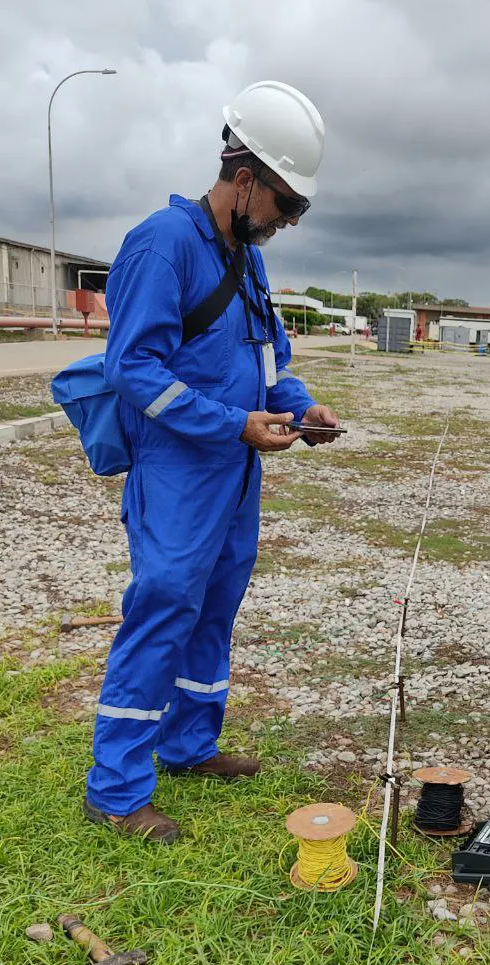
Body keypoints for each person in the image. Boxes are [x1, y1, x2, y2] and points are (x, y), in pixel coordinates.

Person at [84, 81, 340, 844]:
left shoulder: (247, 258)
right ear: (245, 177)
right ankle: (117, 786)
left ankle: (189, 746)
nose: (288, 223)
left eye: (300, 211)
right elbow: (133, 368)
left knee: (215, 606)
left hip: (234, 468)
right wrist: (233, 426)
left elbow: (267, 365)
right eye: (285, 206)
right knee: (164, 604)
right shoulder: (163, 242)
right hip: (178, 466)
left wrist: (301, 409)